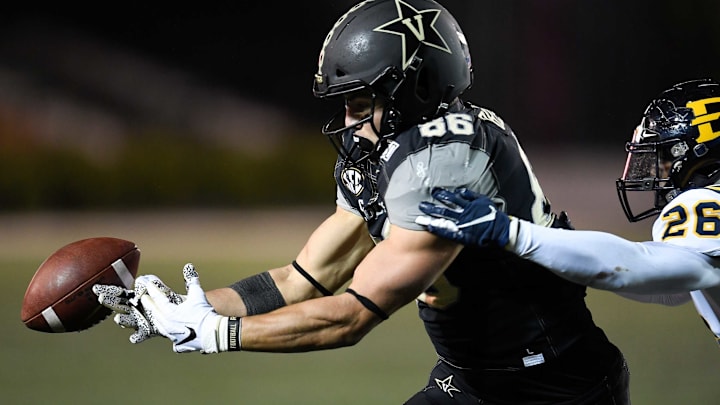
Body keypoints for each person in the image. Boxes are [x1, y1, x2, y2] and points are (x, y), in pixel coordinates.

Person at [93, 1, 630, 403]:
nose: (348, 123)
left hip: (554, 385)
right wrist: (188, 308)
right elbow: (301, 279)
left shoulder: (447, 161)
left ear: (413, 91)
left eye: (359, 103)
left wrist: (216, 334)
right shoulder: (391, 157)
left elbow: (352, 316)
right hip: (473, 377)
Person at [415, 78, 720, 344]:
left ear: (698, 155)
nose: (659, 173)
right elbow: (667, 288)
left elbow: (659, 269)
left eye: (665, 159)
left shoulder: (706, 201)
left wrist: (514, 233)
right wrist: (562, 250)